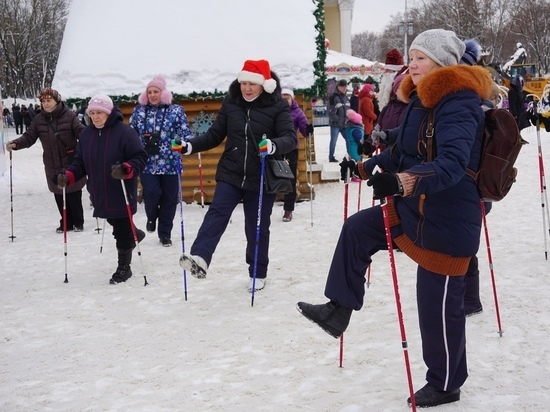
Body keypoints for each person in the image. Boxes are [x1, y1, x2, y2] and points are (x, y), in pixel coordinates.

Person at [296, 29, 494, 408]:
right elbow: (402, 152)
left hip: (448, 217)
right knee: (357, 229)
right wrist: (366, 165)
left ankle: (447, 382)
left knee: (436, 308)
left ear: (443, 62)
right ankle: (338, 308)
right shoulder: (421, 99)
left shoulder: (460, 102)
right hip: (415, 208)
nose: (413, 64)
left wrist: (400, 182)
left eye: (421, 58)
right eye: (412, 57)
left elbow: (451, 165)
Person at [177, 59, 298, 292]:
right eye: (243, 83)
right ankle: (200, 257)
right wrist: (188, 146)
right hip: (231, 172)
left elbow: (290, 138)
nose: (247, 88)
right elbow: (214, 135)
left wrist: (272, 145)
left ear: (265, 84)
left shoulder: (278, 106)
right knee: (217, 212)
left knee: (256, 226)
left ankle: (257, 272)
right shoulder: (231, 103)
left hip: (261, 175)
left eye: (252, 83)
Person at [55, 94, 148, 285]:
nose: (95, 117)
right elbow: (80, 162)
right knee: (114, 220)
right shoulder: (86, 135)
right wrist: (69, 176)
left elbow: (140, 157)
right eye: (92, 113)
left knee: (120, 229)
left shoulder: (124, 132)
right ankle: (135, 234)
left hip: (121, 188)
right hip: (98, 190)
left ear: (109, 113)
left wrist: (126, 168)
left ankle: (124, 267)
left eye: (100, 113)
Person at [5, 88, 87, 233]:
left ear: (57, 101)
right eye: (43, 101)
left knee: (73, 192)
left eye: (49, 100)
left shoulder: (70, 116)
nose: (46, 104)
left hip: (70, 160)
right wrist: (16, 143)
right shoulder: (38, 120)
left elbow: (81, 131)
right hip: (51, 161)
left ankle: (78, 222)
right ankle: (66, 222)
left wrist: (91, 139)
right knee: (58, 192)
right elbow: (29, 137)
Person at [129, 75, 193, 247]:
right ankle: (151, 217)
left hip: (170, 162)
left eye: (156, 91)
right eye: (149, 92)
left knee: (169, 199)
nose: (152, 95)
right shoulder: (139, 111)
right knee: (151, 193)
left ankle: (165, 233)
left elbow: (185, 132)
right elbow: (131, 133)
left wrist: (183, 143)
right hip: (147, 163)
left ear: (163, 93)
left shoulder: (175, 111)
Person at [280, 87, 310, 222]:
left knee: (290, 179)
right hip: (275, 148)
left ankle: (288, 210)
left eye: (287, 96)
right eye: (283, 96)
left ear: (292, 98)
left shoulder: (298, 112)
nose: (285, 98)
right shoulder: (275, 110)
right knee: (271, 177)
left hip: (291, 149)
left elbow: (305, 130)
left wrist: (308, 130)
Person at [327, 79, 350, 162]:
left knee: (348, 139)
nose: (344, 88)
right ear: (338, 87)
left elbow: (348, 109)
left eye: (345, 86)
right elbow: (330, 111)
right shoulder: (333, 97)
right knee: (333, 141)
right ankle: (331, 157)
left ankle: (350, 154)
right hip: (335, 124)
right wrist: (337, 119)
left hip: (344, 124)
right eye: (343, 87)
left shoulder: (346, 97)